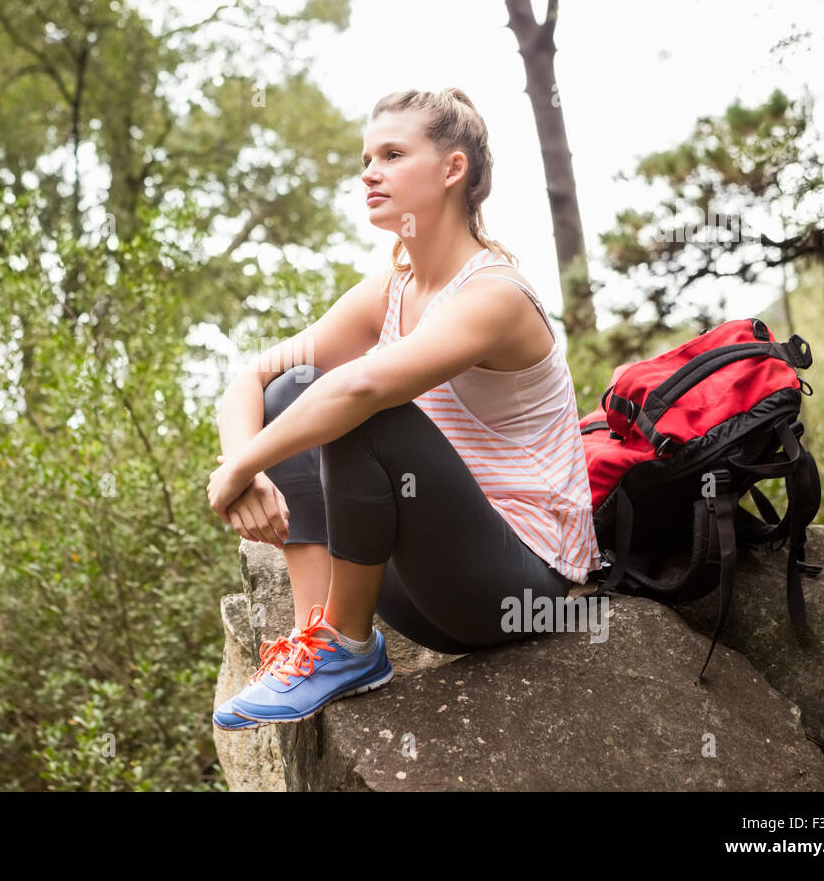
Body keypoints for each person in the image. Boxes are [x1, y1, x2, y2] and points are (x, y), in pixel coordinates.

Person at [207, 87, 602, 730]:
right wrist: (243, 467)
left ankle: (346, 646)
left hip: (513, 587)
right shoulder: (391, 289)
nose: (369, 172)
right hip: (422, 586)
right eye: (367, 158)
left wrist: (235, 470)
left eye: (392, 154)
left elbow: (359, 392)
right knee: (290, 390)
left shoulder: (495, 295)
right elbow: (250, 374)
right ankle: (319, 636)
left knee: (365, 409)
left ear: (453, 170)